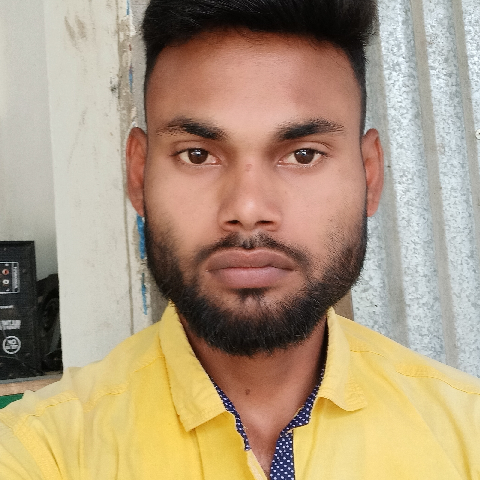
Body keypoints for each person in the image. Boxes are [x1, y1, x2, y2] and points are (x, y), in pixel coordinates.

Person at [1, 0, 479, 478]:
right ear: (138, 175)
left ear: (370, 176)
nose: (247, 209)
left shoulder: (467, 437)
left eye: (305, 155)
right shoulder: (39, 453)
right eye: (196, 154)